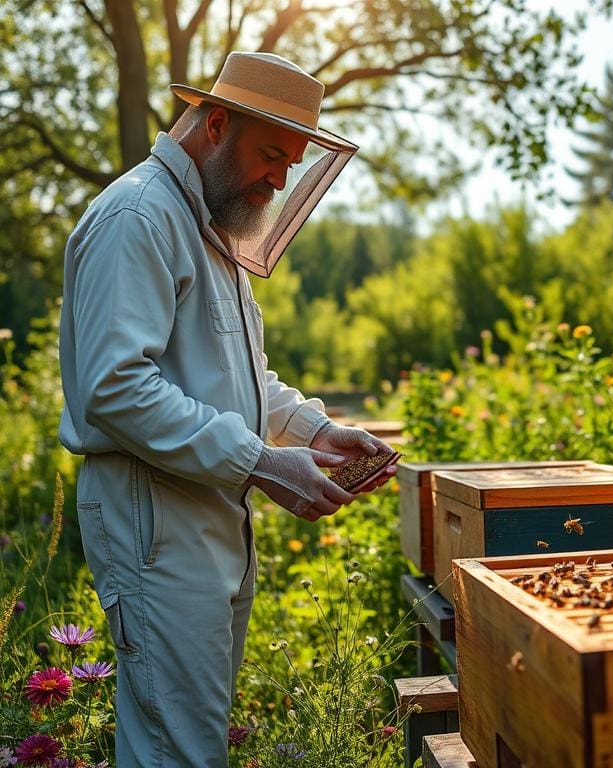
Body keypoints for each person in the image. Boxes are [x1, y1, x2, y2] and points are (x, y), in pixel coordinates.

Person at [58, 51, 396, 766]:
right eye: (273, 155)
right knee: (177, 752)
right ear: (215, 125)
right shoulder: (139, 215)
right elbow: (115, 389)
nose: (279, 179)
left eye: (293, 161)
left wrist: (316, 430)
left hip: (203, 516)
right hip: (155, 517)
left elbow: (241, 380)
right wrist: (261, 462)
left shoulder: (209, 226)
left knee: (184, 741)